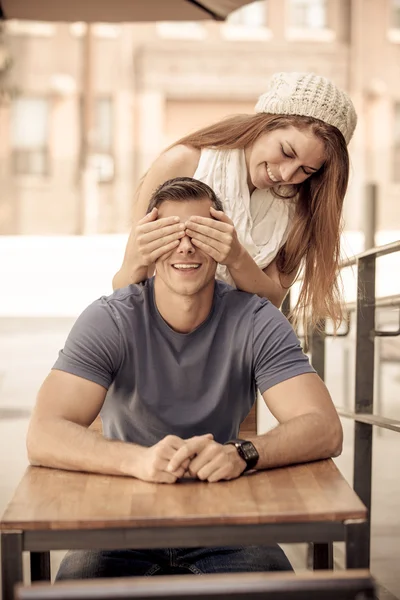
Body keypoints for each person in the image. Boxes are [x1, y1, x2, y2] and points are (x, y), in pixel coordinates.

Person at [27, 177, 343, 580]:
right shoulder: (109, 319)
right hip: (122, 517)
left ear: (222, 240)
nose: (186, 245)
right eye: (170, 233)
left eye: (200, 232)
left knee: (276, 587)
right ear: (148, 244)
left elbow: (324, 428)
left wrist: (242, 453)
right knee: (77, 588)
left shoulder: (257, 320)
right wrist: (138, 460)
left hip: (226, 519)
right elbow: (43, 433)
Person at [112, 72, 357, 332]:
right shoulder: (182, 163)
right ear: (264, 124)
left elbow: (272, 300)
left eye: (306, 171)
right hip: (164, 334)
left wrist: (236, 257)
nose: (287, 175)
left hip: (242, 341)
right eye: (286, 152)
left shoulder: (301, 205)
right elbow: (125, 283)